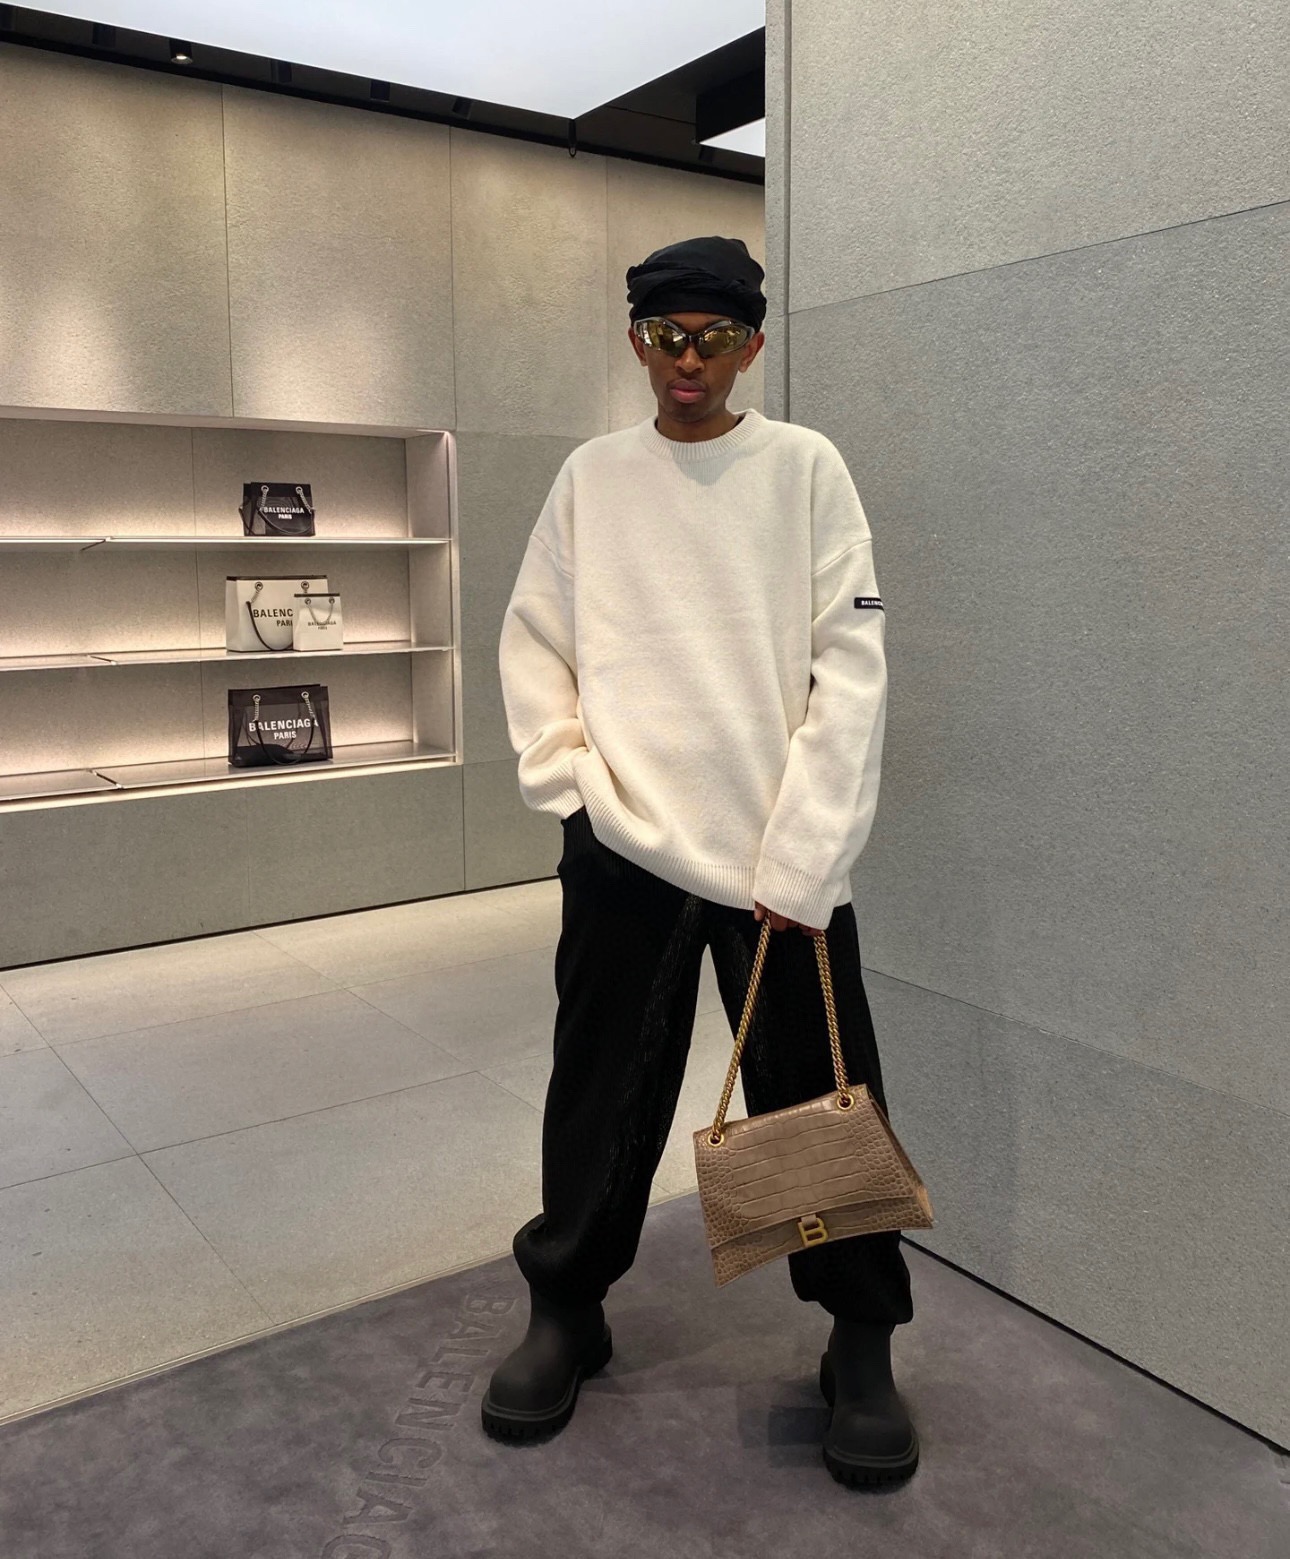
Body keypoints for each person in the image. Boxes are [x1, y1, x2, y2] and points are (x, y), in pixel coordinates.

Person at [485, 235, 918, 1488]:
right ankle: (568, 1303)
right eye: (666, 336)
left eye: (714, 338)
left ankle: (859, 1337)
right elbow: (535, 639)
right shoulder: (592, 477)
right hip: (624, 841)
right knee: (598, 1082)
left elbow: (852, 668)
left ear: (753, 346)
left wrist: (808, 849)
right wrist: (571, 788)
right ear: (636, 342)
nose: (689, 360)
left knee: (823, 1094)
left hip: (778, 849)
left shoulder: (805, 469)